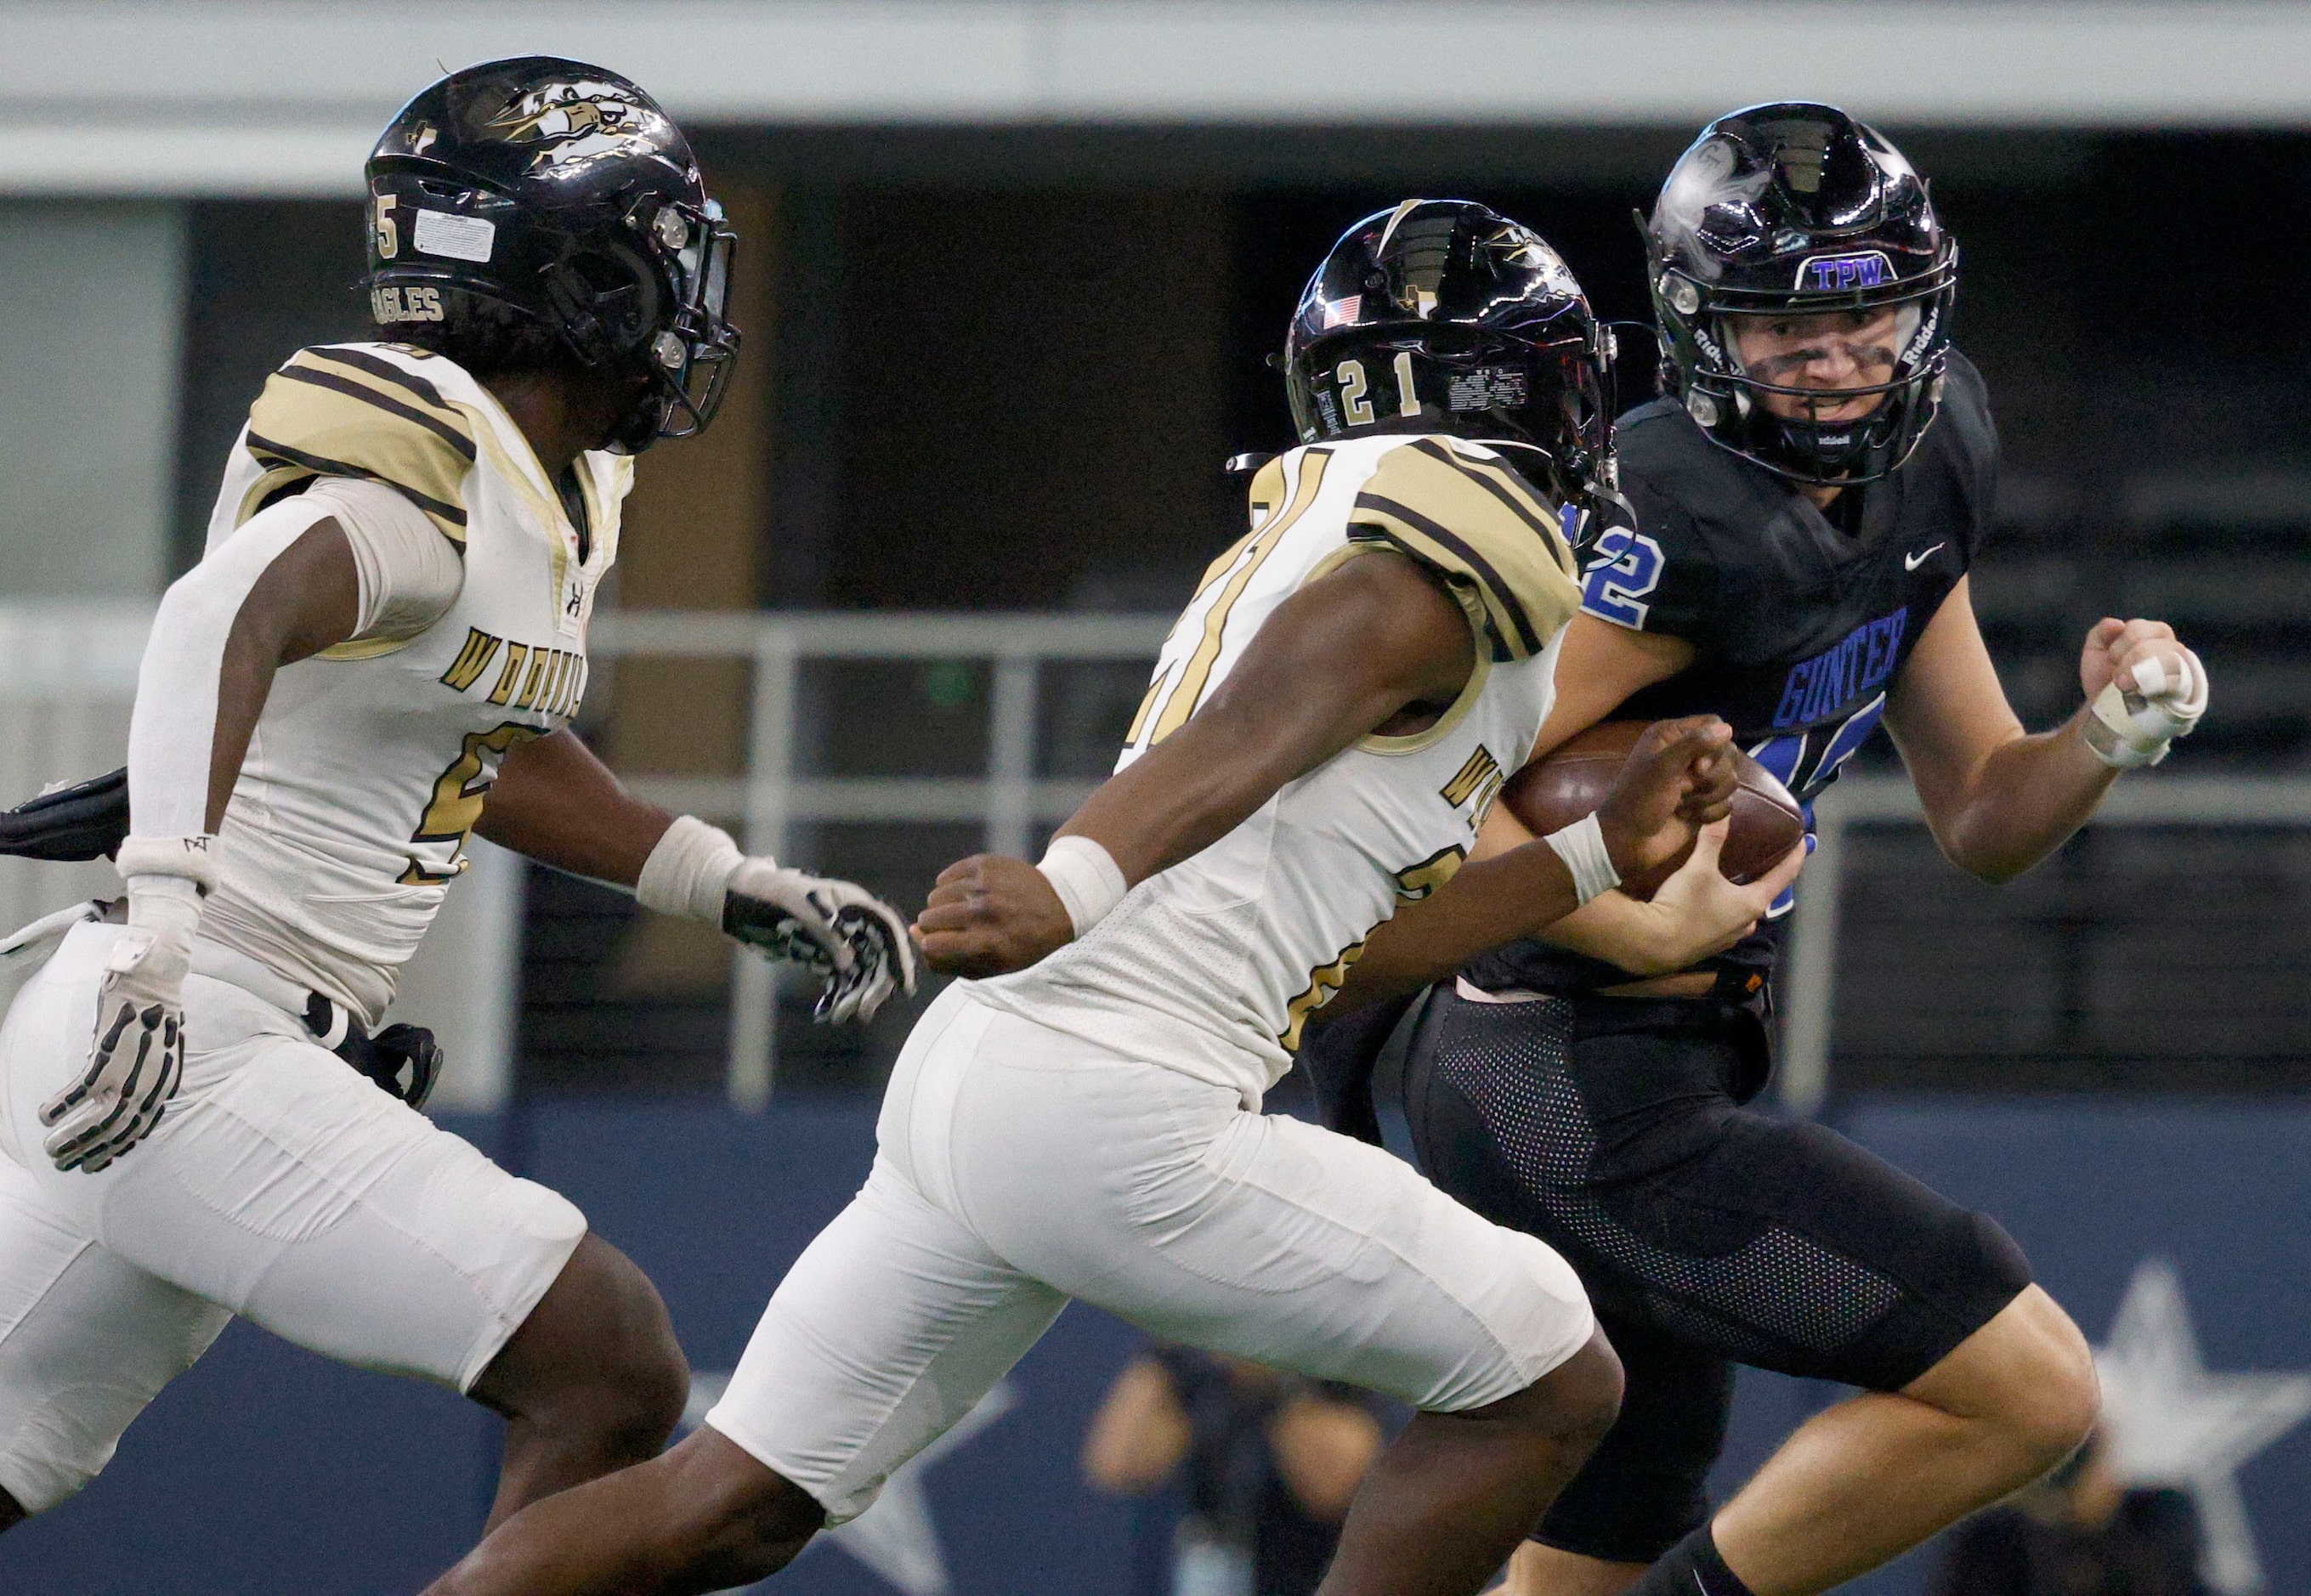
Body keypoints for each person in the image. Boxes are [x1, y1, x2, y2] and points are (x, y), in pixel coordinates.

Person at [413, 199, 1792, 1596]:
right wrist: (1076, 876)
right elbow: (1278, 702)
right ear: (1536, 387)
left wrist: (1585, 860)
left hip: (992, 1083)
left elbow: (1350, 943)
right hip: (1122, 1096)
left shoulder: (1332, 527)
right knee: (1548, 1367)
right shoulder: (1437, 539)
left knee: (732, 1503)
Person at [0, 58, 913, 1538]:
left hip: (194, 1037)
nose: (690, 303)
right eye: (664, 257)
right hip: (187, 1030)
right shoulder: (420, 466)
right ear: (581, 278)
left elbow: (477, 739)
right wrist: (165, 920)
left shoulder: (553, 487)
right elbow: (217, 614)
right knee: (611, 1360)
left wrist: (711, 877)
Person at [1316, 105, 2209, 1596]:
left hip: (1664, 1059)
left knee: (1602, 1525)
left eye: (1865, 314)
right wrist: (1614, 911)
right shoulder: (1663, 510)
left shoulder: (1931, 462)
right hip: (1551, 1066)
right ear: (1694, 326)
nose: (1836, 359)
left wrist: (2107, 733)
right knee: (2033, 1386)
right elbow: (1420, 798)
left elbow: (1983, 808)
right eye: (1783, 326)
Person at [1084, 1343, 1385, 1596]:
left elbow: (1334, 1488)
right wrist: (1166, 1352)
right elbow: (1116, 1465)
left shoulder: (1331, 1370)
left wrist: (1276, 1382)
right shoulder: (1199, 1372)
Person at [1931, 1429, 2206, 1596]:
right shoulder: (1992, 1539)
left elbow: (2168, 1584)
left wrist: (2095, 1522)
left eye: (2081, 1449)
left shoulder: (2157, 1518)